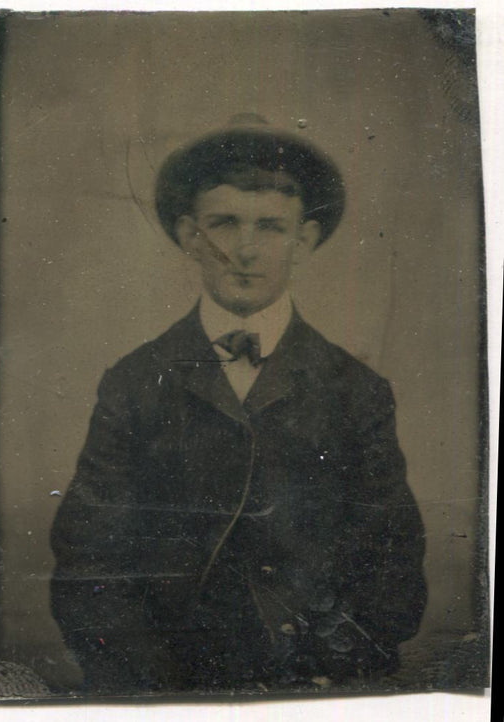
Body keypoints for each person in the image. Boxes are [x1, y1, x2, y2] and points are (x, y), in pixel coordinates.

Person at [50, 121, 427, 695]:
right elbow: (89, 564)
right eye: (224, 223)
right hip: (166, 683)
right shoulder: (132, 383)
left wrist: (326, 672)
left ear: (304, 241)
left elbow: (390, 565)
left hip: (314, 679)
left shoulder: (357, 391)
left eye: (271, 227)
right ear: (190, 236)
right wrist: (155, 687)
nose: (246, 250)